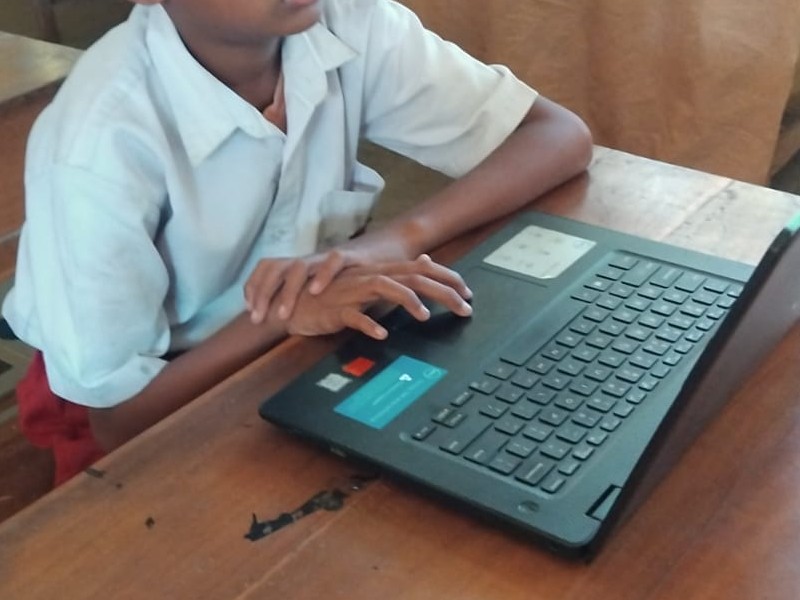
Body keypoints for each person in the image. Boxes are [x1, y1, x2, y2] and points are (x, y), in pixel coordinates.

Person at [2, 0, 593, 485]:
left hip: (302, 344)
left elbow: (558, 136)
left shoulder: (344, 20)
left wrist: (394, 240)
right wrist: (286, 313)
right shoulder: (97, 146)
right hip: (149, 396)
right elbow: (117, 422)